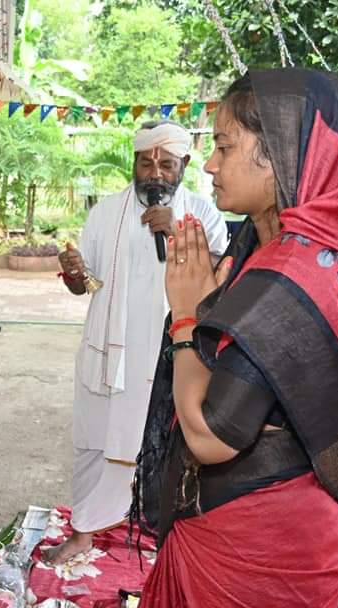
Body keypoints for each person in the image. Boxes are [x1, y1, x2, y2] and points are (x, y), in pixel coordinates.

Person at [128, 69, 338, 608]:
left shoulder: (292, 271)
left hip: (254, 548)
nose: (209, 164)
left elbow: (211, 436)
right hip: (295, 518)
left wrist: (185, 315)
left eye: (226, 146)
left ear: (284, 153)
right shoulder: (313, 252)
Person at [47, 121, 228, 564]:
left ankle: (166, 536)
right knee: (94, 440)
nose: (155, 173)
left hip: (172, 354)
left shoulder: (203, 215)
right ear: (134, 162)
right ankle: (84, 530)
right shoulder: (105, 213)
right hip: (110, 354)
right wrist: (74, 273)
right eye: (146, 162)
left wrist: (179, 232)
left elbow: (221, 283)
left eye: (166, 164)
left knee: (170, 449)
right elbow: (84, 286)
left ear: (183, 166)